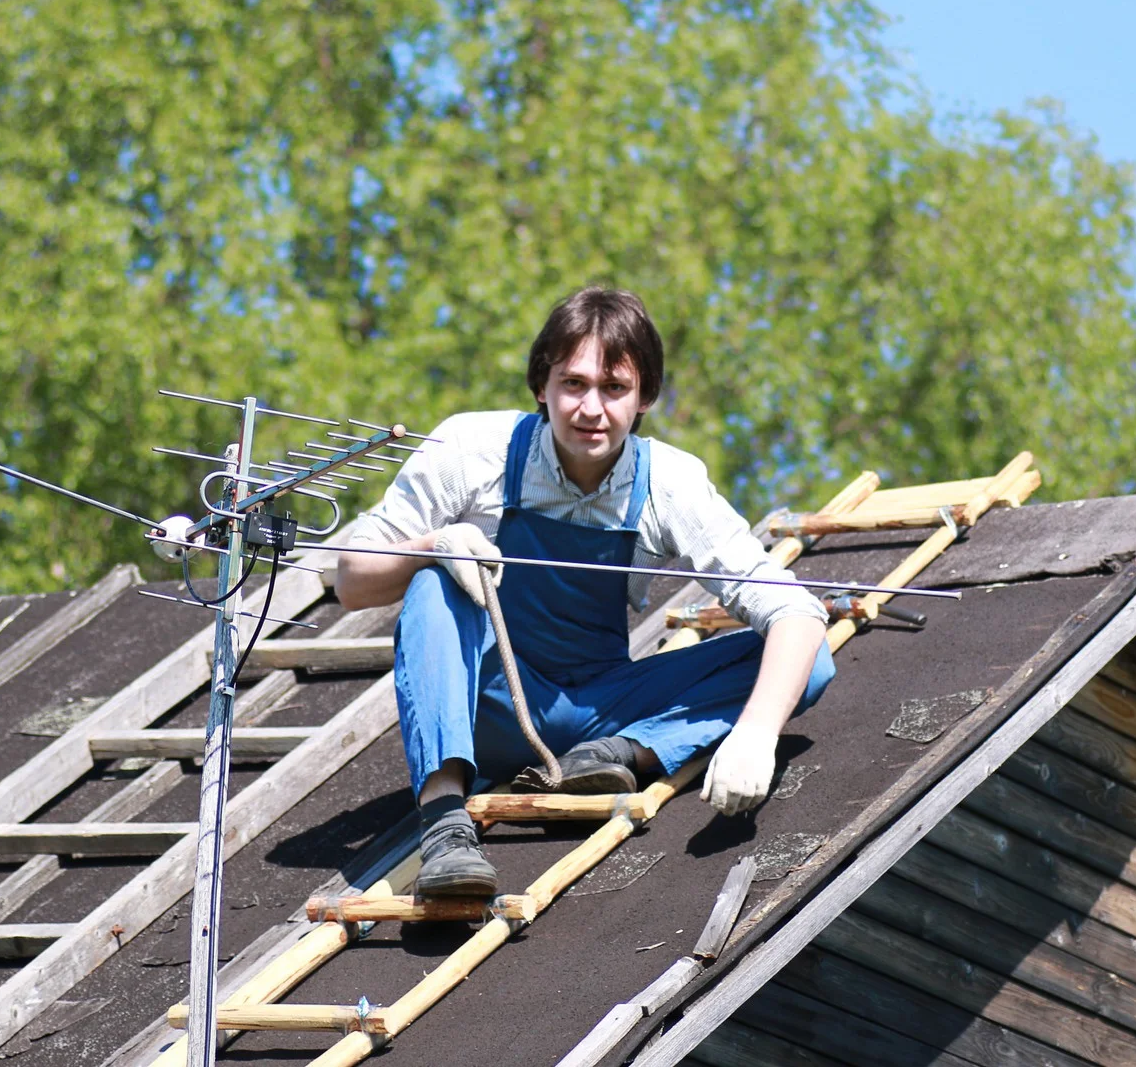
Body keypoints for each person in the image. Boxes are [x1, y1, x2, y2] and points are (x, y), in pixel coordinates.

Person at [333, 288, 835, 897]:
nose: (590, 408)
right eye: (573, 384)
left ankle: (625, 754)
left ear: (645, 396)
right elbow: (351, 580)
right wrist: (436, 543)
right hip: (489, 706)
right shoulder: (469, 451)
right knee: (435, 584)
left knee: (805, 665)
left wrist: (755, 732)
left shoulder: (669, 484)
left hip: (599, 708)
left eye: (614, 388)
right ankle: (443, 821)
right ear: (540, 385)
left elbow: (796, 612)